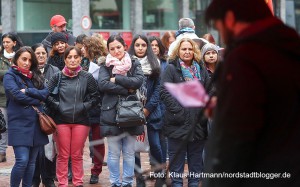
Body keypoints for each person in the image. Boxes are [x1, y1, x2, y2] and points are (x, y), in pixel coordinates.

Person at [203, 0, 300, 187]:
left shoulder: (245, 56)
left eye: (219, 27)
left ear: (230, 18)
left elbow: (237, 134)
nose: (222, 35)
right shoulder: (290, 45)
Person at [160, 38, 212, 187]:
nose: (187, 52)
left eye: (190, 49)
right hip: (177, 124)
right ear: (178, 51)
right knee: (176, 168)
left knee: (195, 167)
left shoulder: (201, 69)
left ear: (194, 51)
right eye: (184, 49)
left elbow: (208, 91)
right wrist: (179, 110)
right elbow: (164, 91)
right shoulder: (171, 69)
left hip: (198, 125)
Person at [46, 46, 100, 187]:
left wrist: (83, 107)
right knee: (63, 155)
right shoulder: (57, 76)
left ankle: (78, 182)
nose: (72, 60)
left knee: (77, 154)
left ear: (80, 59)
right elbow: (47, 95)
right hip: (61, 120)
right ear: (65, 59)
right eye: (69, 57)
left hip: (81, 121)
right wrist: (58, 106)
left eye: (75, 57)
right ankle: (62, 183)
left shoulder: (87, 77)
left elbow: (95, 97)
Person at [98, 34, 144, 187]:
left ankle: (127, 182)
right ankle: (115, 182)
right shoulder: (105, 65)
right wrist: (127, 89)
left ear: (124, 46)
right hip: (110, 112)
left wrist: (116, 78)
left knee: (129, 153)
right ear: (108, 50)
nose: (116, 51)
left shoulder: (134, 63)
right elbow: (103, 85)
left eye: (118, 47)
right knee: (113, 153)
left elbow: (137, 81)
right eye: (112, 49)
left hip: (131, 112)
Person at [3, 46, 49, 187]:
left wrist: (28, 91)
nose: (27, 63)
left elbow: (46, 93)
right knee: (22, 160)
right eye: (24, 59)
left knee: (31, 162)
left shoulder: (34, 75)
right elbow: (16, 95)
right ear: (16, 59)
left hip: (36, 123)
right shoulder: (10, 75)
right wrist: (37, 99)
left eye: (30, 60)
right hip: (19, 123)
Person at [128, 34, 163, 187]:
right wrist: (137, 109)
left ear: (147, 47)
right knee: (134, 148)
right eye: (137, 45)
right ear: (133, 47)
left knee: (155, 145)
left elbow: (158, 91)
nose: (140, 48)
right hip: (131, 112)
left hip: (152, 113)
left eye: (143, 45)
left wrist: (147, 109)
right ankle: (139, 179)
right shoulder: (127, 64)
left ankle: (160, 175)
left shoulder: (155, 64)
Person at [31, 43, 59, 187]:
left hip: (50, 116)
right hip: (33, 116)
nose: (41, 56)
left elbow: (58, 93)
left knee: (50, 150)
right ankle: (34, 179)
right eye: (38, 53)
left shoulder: (55, 70)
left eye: (43, 53)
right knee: (35, 150)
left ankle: (48, 178)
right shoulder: (29, 71)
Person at [81, 35, 107, 184]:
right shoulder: (83, 62)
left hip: (97, 108)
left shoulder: (102, 63)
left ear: (91, 47)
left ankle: (96, 171)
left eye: (84, 46)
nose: (82, 49)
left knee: (97, 141)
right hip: (82, 108)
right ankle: (76, 171)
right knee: (79, 141)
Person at [0, 32, 23, 163]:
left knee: (17, 125)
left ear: (14, 43)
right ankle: (2, 152)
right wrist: (13, 71)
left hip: (17, 97)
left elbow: (25, 71)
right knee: (3, 125)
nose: (5, 44)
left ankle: (18, 152)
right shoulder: (0, 57)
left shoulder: (20, 56)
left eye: (8, 42)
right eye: (3, 42)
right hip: (2, 97)